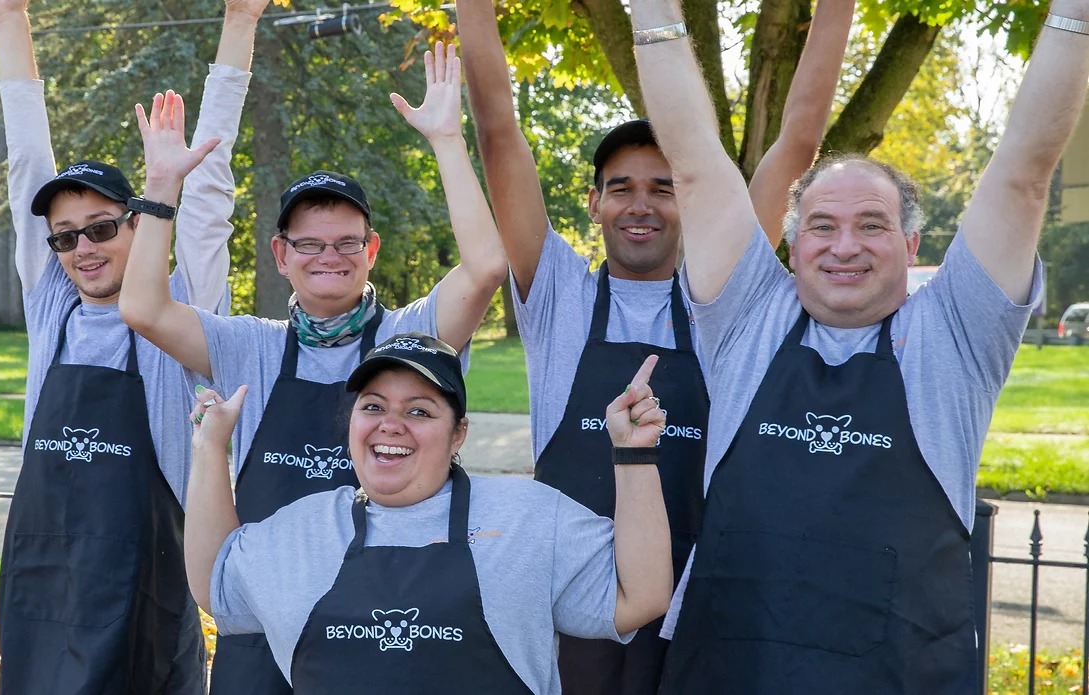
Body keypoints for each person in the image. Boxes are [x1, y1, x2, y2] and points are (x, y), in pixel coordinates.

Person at [629, 0, 1089, 689]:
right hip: (729, 666)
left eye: (871, 225)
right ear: (789, 242)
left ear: (909, 245)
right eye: (821, 226)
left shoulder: (955, 332)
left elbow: (1024, 173)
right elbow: (693, 161)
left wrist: (1075, 15)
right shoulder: (746, 313)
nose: (844, 246)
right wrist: (653, 11)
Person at [455, 0, 853, 690]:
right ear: (593, 203)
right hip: (568, 599)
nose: (640, 204)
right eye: (621, 188)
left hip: (696, 602)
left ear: (689, 201)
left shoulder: (725, 292)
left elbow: (796, 142)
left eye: (663, 188)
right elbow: (497, 130)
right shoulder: (557, 295)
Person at [120, 42, 507, 692]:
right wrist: (160, 188)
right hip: (263, 628)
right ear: (279, 254)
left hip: (385, 625)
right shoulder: (249, 346)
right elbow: (143, 305)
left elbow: (486, 268)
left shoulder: (412, 336)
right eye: (308, 243)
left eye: (345, 242)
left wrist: (445, 139)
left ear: (370, 250)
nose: (328, 256)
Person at [0, 0, 262, 690]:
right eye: (65, 234)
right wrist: (11, 18)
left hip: (145, 585)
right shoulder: (52, 310)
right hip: (43, 589)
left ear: (140, 227)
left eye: (103, 227)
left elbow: (209, 194)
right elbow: (27, 163)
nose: (83, 247)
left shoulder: (179, 307)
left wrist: (241, 21)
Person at [185, 332, 672, 693]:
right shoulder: (301, 529)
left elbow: (642, 596)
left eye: (419, 411)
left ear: (459, 433)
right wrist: (209, 449)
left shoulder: (530, 518)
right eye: (373, 407)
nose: (391, 425)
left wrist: (634, 454)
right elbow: (216, 584)